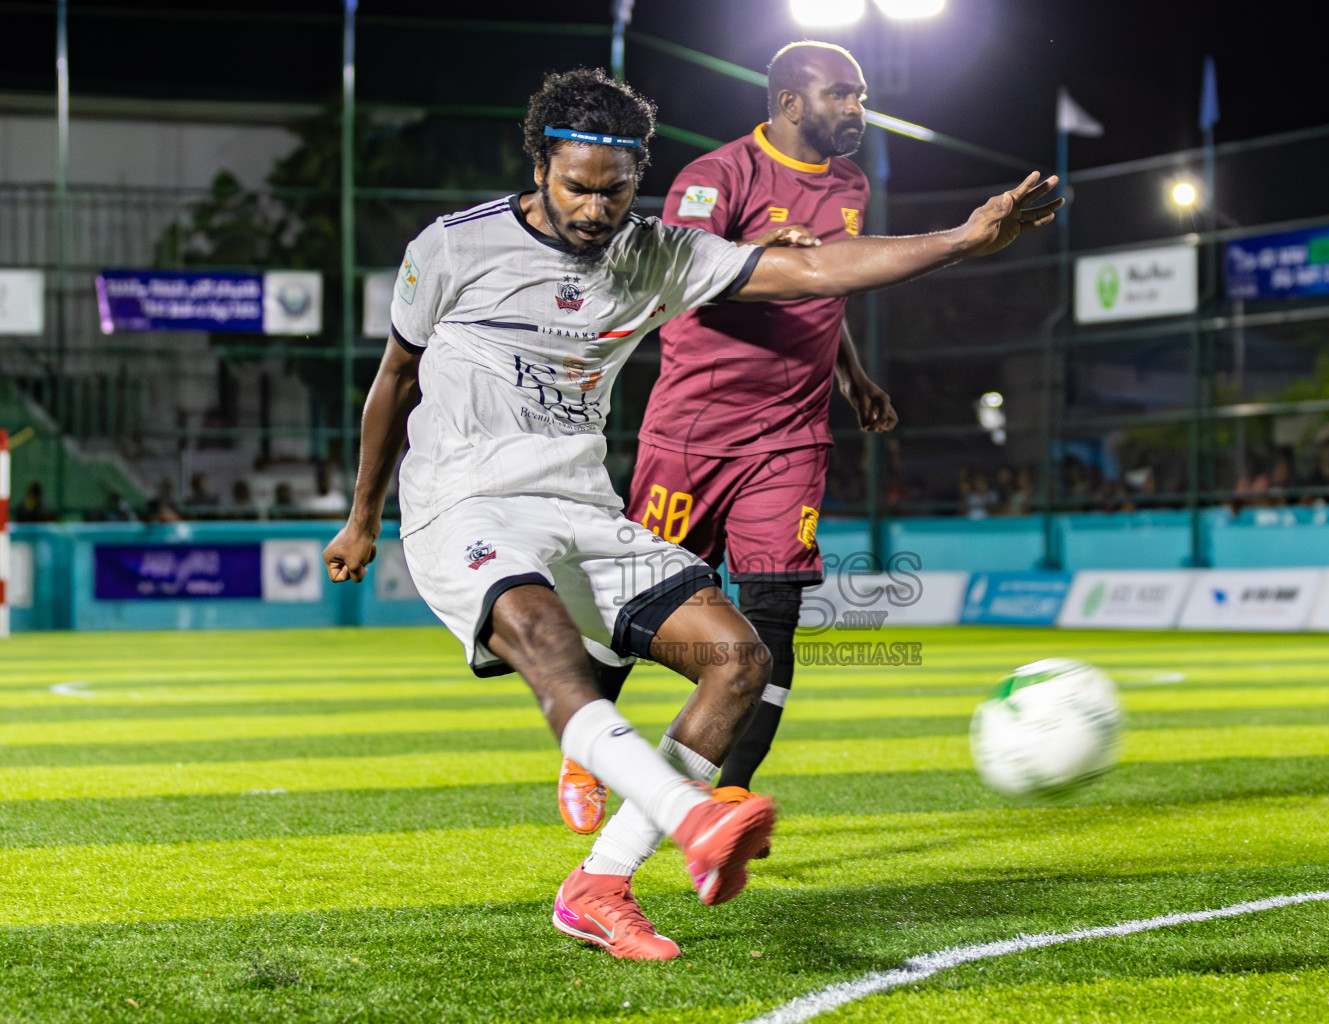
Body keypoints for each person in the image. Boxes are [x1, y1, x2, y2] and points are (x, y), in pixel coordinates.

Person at [321, 67, 1060, 962]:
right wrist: (361, 516)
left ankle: (598, 885)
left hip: (581, 505)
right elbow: (393, 380)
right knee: (551, 650)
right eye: (576, 188)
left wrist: (967, 238)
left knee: (739, 661)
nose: (595, 210)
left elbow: (816, 268)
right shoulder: (450, 248)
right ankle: (686, 816)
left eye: (615, 190)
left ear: (640, 177)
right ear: (542, 167)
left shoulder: (658, 252)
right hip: (462, 502)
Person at [555, 41, 899, 841]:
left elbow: (829, 288)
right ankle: (586, 744)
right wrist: (770, 258)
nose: (855, 107)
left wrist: (853, 375)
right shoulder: (718, 177)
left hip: (792, 434)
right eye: (841, 94)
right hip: (694, 434)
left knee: (775, 610)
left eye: (860, 93)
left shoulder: (852, 183)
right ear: (789, 103)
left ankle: (729, 794)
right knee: (635, 608)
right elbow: (676, 277)